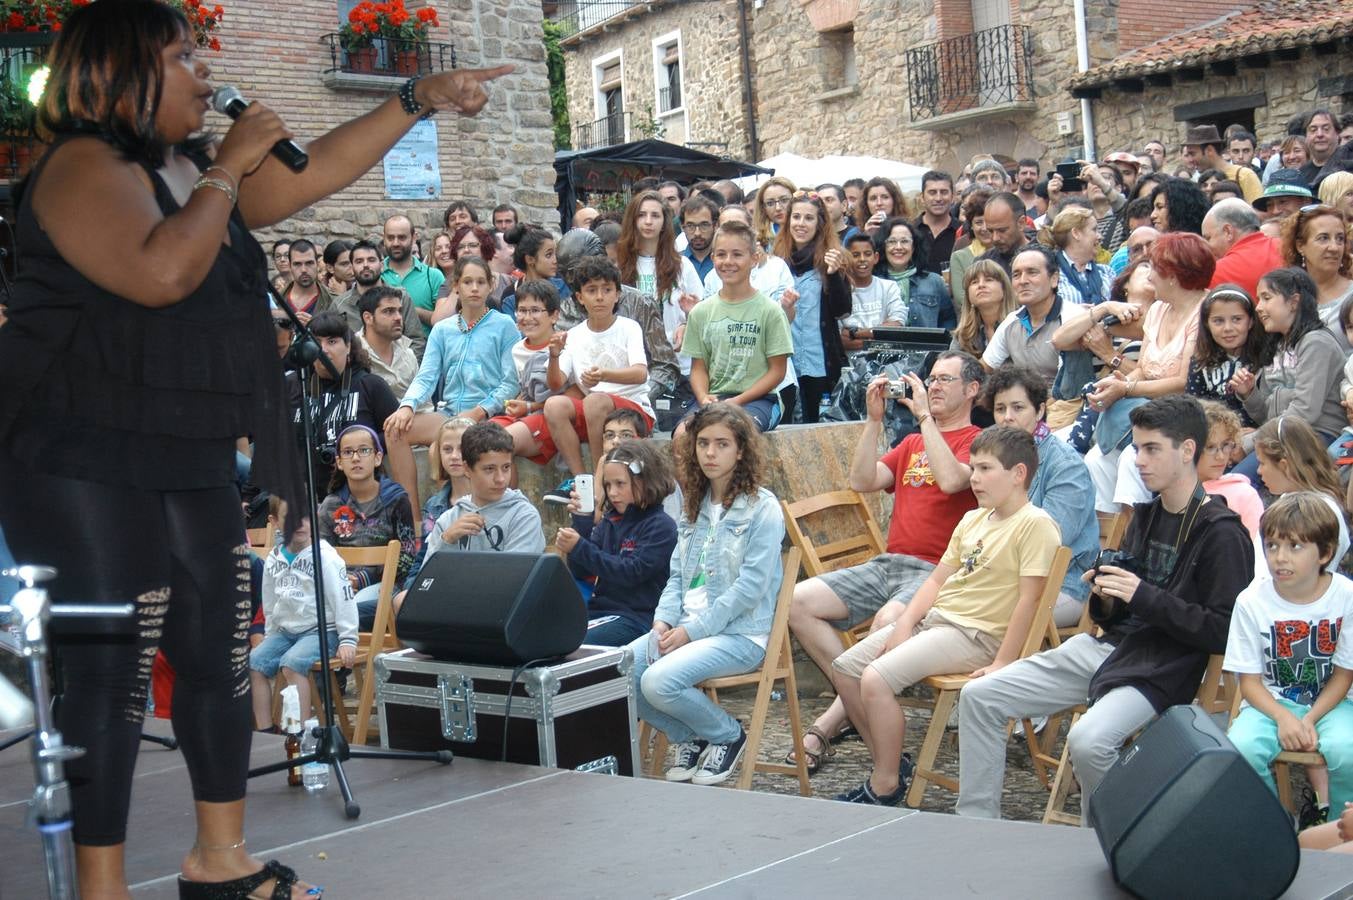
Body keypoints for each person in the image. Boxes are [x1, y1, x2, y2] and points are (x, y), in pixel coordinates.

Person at [955, 395, 1254, 819]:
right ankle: (975, 827)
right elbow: (1118, 615)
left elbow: (1224, 630)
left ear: (1187, 450)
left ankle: (1111, 842)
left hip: (1164, 667)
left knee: (1089, 741)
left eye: (1151, 449)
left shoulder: (1222, 533)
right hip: (1109, 650)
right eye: (1136, 449)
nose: (1139, 460)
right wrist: (1106, 597)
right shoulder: (1147, 516)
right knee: (979, 696)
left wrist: (1141, 595)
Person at [831, 425, 1061, 805]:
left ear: (1019, 474)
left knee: (873, 678)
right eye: (973, 468)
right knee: (845, 668)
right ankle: (890, 761)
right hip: (938, 622)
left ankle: (885, 784)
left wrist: (1003, 661)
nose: (975, 478)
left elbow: (1029, 601)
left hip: (974, 634)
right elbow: (937, 580)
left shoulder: (1035, 524)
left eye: (986, 469)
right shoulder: (973, 519)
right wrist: (904, 623)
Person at [786, 352, 984, 771]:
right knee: (796, 601)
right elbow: (861, 481)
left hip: (936, 573)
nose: (933, 386)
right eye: (931, 379)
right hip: (888, 564)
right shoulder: (911, 443)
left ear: (972, 390)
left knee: (885, 625)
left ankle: (831, 726)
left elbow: (951, 481)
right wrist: (874, 420)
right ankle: (857, 709)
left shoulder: (978, 442)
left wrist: (926, 418)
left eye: (945, 379)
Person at [623, 403, 785, 786]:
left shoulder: (763, 508)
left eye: (722, 444)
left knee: (657, 682)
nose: (710, 453)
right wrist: (662, 621)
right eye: (703, 443)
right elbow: (677, 575)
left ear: (741, 450)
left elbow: (749, 589)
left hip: (740, 634)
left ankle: (728, 734)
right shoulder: (695, 505)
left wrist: (691, 633)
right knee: (621, 671)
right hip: (684, 626)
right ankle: (690, 737)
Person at [1224, 492, 1353, 817]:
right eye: (1272, 545)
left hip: (1333, 703)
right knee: (1241, 749)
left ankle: (1338, 828)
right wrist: (1284, 717)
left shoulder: (1346, 596)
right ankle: (1271, 829)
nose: (1280, 557)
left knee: (1346, 751)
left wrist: (1308, 718)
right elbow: (1249, 683)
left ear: (1325, 552)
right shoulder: (1251, 601)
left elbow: (1343, 675)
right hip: (1270, 702)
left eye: (1295, 546)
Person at [383, 256, 520, 514]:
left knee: (453, 444)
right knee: (395, 430)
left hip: (486, 416)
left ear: (491, 285)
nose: (474, 288)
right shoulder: (442, 329)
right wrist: (407, 406)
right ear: (457, 285)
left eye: (481, 282)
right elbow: (426, 376)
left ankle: (503, 515)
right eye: (468, 282)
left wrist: (480, 411)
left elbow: (510, 382)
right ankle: (413, 520)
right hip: (448, 415)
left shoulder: (504, 325)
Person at [983, 367, 1099, 627]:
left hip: (1063, 584)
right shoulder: (994, 459)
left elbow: (1051, 540)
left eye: (1017, 408)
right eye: (1000, 409)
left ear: (1040, 410)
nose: (1007, 418)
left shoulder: (1066, 465)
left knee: (985, 615)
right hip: (1004, 579)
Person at [393, 422, 546, 613]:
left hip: (503, 611)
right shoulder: (448, 520)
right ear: (467, 469)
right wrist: (446, 541)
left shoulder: (524, 515)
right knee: (403, 602)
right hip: (457, 608)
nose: (500, 479)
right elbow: (426, 583)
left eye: (506, 467)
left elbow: (514, 580)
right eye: (489, 469)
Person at [542, 255, 656, 500]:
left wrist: (605, 374)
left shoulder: (628, 327)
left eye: (607, 290)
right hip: (596, 415)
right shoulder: (573, 335)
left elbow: (640, 373)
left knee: (594, 400)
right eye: (592, 291)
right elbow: (555, 383)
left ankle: (600, 477)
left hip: (633, 410)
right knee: (554, 405)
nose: (600, 297)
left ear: (617, 295)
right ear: (580, 298)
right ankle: (582, 479)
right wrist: (553, 355)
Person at [555, 439, 679, 646]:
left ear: (645, 480)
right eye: (608, 485)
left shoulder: (661, 526)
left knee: (573, 643)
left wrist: (580, 547)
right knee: (545, 636)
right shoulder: (611, 521)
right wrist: (583, 524)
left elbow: (630, 573)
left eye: (620, 484)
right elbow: (581, 572)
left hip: (637, 619)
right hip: (601, 612)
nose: (612, 493)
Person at [1232, 268, 1347, 486]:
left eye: (1266, 297)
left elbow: (1304, 412)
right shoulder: (1276, 346)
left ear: (1294, 302)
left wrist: (1251, 443)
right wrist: (1249, 394)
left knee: (1238, 483)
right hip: (1281, 435)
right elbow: (1266, 413)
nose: (1258, 307)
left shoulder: (1316, 343)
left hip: (1315, 436)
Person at [679, 220, 793, 432]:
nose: (728, 261)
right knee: (682, 436)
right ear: (713, 258)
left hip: (761, 400)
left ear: (754, 258)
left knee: (733, 431)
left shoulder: (770, 311)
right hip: (714, 398)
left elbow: (777, 371)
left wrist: (738, 400)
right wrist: (703, 397)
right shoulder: (701, 312)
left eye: (737, 255)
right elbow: (698, 368)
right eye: (721, 254)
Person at [249, 510, 357, 732]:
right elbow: (269, 601)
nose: (299, 523)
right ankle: (266, 730)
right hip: (285, 632)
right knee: (254, 662)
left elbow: (343, 597)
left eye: (305, 516)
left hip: (322, 631)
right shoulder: (274, 557)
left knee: (292, 663)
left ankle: (300, 734)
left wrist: (348, 639)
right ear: (274, 521)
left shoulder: (324, 557)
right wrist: (270, 635)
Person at [289, 310, 401, 501]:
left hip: (360, 495)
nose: (323, 350)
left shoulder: (371, 385)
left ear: (348, 346)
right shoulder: (294, 386)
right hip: (304, 495)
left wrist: (356, 452)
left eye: (332, 341)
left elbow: (395, 432)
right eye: (316, 342)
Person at [316, 425, 417, 631]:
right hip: (340, 584)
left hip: (386, 585)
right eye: (348, 452)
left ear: (378, 457)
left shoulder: (396, 500)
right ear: (339, 462)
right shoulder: (331, 504)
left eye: (364, 450)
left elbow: (406, 559)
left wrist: (363, 579)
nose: (355, 458)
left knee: (353, 607)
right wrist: (343, 581)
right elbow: (321, 555)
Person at [773, 191, 851, 423]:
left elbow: (843, 311)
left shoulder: (832, 257)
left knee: (818, 423)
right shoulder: (776, 260)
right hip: (783, 361)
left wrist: (835, 276)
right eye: (796, 217)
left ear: (820, 223)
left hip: (819, 360)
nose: (801, 224)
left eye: (809, 218)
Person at [1186, 285, 1268, 430]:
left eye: (1237, 319)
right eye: (1218, 321)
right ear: (1207, 324)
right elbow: (1194, 407)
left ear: (1250, 321)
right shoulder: (1201, 361)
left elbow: (1271, 409)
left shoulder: (1265, 357)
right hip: (1214, 436)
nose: (1228, 328)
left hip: (1254, 435)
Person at [333, 239, 425, 359]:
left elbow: (416, 341)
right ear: (352, 267)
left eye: (371, 260)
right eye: (359, 261)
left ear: (381, 266)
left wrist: (405, 371)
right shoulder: (339, 306)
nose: (366, 265)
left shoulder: (400, 297)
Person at [1280, 204, 1352, 349]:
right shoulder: (1284, 296)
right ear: (1300, 245)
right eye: (1323, 238)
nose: (1334, 247)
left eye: (1340, 239)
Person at [1197, 401, 1263, 541]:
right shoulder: (1171, 492)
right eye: (1210, 447)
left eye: (1226, 445)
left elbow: (1253, 554)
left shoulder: (1244, 495)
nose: (1221, 456)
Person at [874, 217, 955, 330]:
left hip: (928, 347)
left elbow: (948, 320)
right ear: (883, 247)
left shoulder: (934, 281)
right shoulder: (874, 283)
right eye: (892, 241)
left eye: (904, 241)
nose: (898, 247)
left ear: (914, 247)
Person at [1202, 198, 1284, 298]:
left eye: (1208, 238)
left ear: (1228, 232)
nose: (1206, 246)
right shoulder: (1289, 249)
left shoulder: (1217, 272)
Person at [841, 231, 905, 357]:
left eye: (867, 254)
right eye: (855, 255)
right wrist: (879, 338)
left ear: (875, 257)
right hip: (851, 368)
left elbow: (897, 325)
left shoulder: (889, 287)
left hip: (888, 365)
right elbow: (841, 341)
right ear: (847, 259)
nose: (862, 259)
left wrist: (855, 334)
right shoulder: (840, 292)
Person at [382, 214, 445, 336]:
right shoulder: (375, 275)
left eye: (402, 237)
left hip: (424, 352)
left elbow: (445, 322)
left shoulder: (433, 276)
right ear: (383, 238)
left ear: (414, 237)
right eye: (390, 238)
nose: (395, 243)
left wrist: (410, 309)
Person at [354, 285, 420, 398]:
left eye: (400, 311)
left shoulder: (408, 355)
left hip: (412, 415)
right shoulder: (351, 353)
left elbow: (424, 407)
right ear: (368, 318)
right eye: (389, 311)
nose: (398, 317)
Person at [1041, 206, 1111, 307]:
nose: (1100, 236)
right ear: (1076, 233)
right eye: (1094, 230)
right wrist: (1074, 313)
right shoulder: (1052, 277)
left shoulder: (1106, 272)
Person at [950, 260, 1016, 358]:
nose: (981, 285)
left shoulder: (1020, 326)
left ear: (1004, 289)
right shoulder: (963, 334)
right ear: (968, 296)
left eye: (989, 279)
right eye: (974, 282)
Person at [947, 184, 995, 314]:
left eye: (989, 221)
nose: (984, 228)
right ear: (971, 225)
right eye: (979, 222)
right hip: (971, 324)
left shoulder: (1007, 251)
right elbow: (961, 298)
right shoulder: (960, 256)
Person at [917, 170, 958, 271]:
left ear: (953, 197)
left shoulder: (963, 231)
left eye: (944, 192)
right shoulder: (910, 231)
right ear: (922, 197)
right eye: (932, 192)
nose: (938, 198)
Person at [752, 176, 796, 249]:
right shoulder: (757, 239)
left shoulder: (808, 231)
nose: (778, 208)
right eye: (770, 203)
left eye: (784, 200)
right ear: (763, 208)